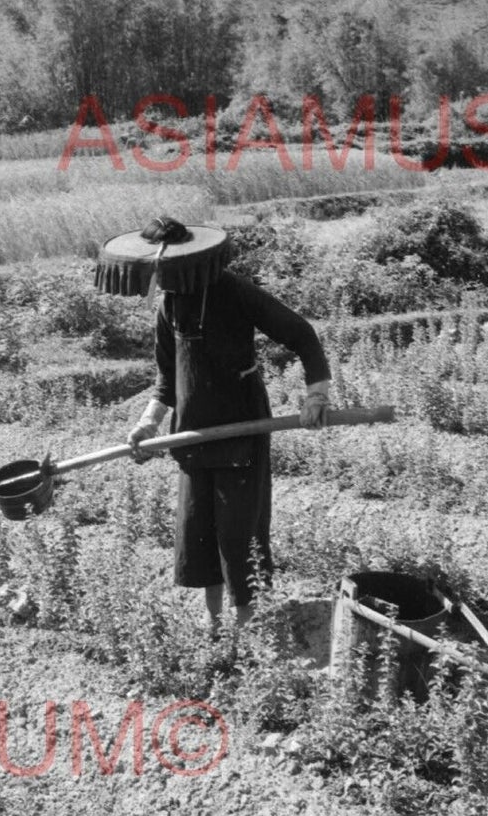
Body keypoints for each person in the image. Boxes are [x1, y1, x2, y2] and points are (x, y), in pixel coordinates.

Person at [95, 216, 331, 636]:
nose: (157, 279)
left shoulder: (235, 292)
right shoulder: (169, 304)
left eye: (161, 270)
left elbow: (302, 335)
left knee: (240, 532)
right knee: (199, 529)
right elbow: (167, 378)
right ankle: (214, 624)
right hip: (192, 432)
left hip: (240, 426)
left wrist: (316, 396)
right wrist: (148, 423)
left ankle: (247, 629)